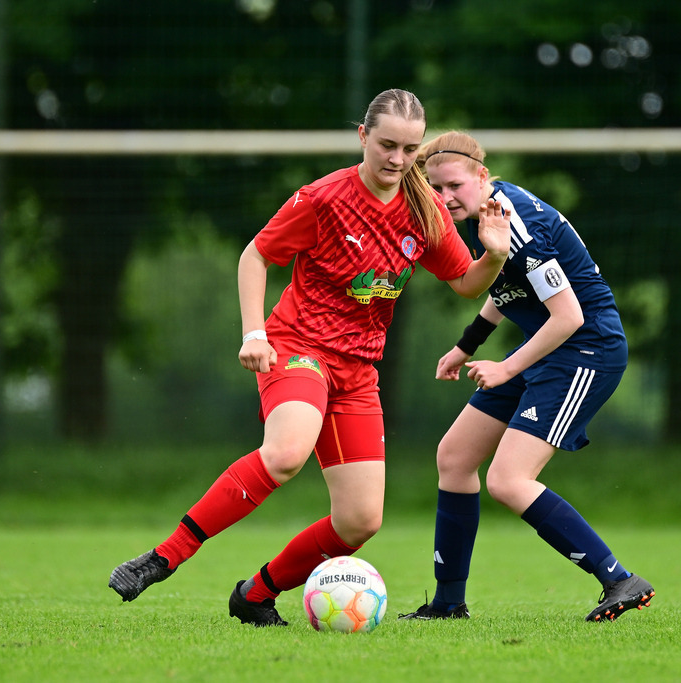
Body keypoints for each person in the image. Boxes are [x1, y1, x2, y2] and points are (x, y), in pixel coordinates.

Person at [108, 89, 511, 626]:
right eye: (387, 144)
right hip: (300, 347)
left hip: (358, 369)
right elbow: (256, 255)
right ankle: (164, 557)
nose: (397, 159)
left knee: (360, 521)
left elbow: (464, 281)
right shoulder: (322, 198)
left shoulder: (425, 209)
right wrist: (255, 332)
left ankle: (255, 594)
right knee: (286, 453)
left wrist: (496, 254)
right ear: (363, 137)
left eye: (410, 149)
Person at [397, 131, 654, 623]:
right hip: (547, 350)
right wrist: (466, 346)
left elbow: (568, 317)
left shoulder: (519, 225)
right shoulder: (484, 216)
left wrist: (506, 366)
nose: (445, 198)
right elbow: (507, 287)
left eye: (454, 186)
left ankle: (620, 579)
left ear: (481, 177)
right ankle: (448, 603)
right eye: (436, 189)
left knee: (509, 480)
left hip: (586, 351)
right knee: (454, 457)